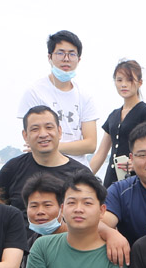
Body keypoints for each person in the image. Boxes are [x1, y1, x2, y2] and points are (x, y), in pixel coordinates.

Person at [17, 30, 99, 167]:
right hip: (43, 167)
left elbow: (90, 144)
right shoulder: (35, 92)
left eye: (72, 54)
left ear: (78, 59)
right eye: (60, 53)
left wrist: (52, 146)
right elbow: (32, 136)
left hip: (78, 168)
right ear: (49, 57)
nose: (66, 59)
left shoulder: (85, 96)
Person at [0, 106, 91, 218]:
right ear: (25, 135)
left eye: (49, 127)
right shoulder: (12, 169)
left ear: (59, 131)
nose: (43, 134)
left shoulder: (81, 173)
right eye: (35, 129)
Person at [98, 59, 146, 186]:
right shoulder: (113, 115)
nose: (124, 85)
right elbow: (101, 154)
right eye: (119, 80)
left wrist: (138, 162)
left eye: (129, 80)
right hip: (111, 179)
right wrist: (83, 176)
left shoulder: (145, 112)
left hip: (135, 178)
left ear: (140, 82)